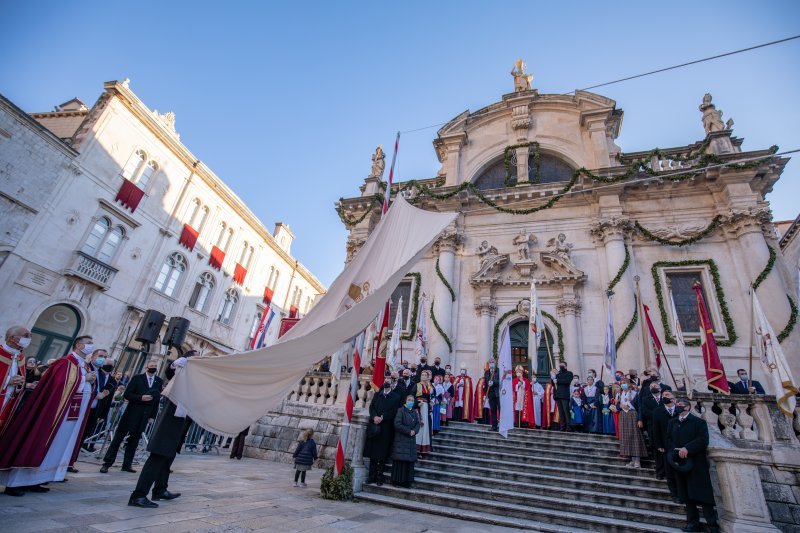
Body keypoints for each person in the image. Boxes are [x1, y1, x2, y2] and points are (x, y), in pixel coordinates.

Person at [0, 335, 97, 495]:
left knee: (54, 446)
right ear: (79, 345)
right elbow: (60, 384)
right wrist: (83, 378)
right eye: (89, 343)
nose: (91, 346)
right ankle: (15, 483)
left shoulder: (84, 365)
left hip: (70, 413)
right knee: (37, 441)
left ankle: (35, 480)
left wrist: (89, 381)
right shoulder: (65, 362)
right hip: (54, 412)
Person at [128, 354, 194, 508]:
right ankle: (138, 495)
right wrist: (173, 365)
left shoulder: (189, 384)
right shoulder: (179, 376)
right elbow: (171, 372)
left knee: (167, 457)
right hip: (168, 422)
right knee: (158, 456)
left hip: (178, 422)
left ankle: (160, 489)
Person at [667, 399, 720, 532]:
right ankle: (692, 522)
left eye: (680, 405)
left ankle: (712, 524)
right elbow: (669, 439)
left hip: (696, 461)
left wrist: (687, 448)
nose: (678, 407)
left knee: (703, 493)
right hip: (680, 462)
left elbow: (703, 439)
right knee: (685, 493)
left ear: (688, 408)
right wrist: (676, 451)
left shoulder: (699, 422)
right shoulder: (672, 422)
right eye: (677, 405)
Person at [101, 359, 162, 473]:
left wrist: (152, 416)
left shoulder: (158, 381)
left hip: (144, 416)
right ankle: (107, 463)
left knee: (133, 442)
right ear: (146, 367)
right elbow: (128, 394)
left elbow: (157, 400)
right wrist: (140, 398)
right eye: (151, 366)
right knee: (117, 440)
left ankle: (127, 464)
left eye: (155, 366)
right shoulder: (137, 378)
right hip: (131, 413)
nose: (153, 367)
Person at [365, 379, 400, 485]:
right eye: (385, 381)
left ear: (392, 384)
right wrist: (374, 416)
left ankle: (380, 477)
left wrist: (382, 417)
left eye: (389, 381)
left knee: (382, 454)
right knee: (373, 454)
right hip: (374, 427)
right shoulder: (377, 394)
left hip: (386, 428)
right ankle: (371, 476)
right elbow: (372, 407)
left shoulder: (396, 397)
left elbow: (394, 411)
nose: (386, 383)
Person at [81, 352, 117, 452]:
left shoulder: (113, 381)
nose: (109, 367)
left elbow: (109, 399)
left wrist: (103, 414)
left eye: (111, 366)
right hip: (87, 404)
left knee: (91, 429)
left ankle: (88, 445)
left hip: (99, 407)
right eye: (107, 364)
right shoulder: (96, 373)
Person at [652, 390, 680, 500]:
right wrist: (659, 444)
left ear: (674, 398)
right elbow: (656, 429)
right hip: (666, 445)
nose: (664, 396)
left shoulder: (679, 410)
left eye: (667, 395)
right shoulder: (658, 411)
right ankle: (674, 494)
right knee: (669, 472)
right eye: (663, 395)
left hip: (680, 445)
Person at [0, 325, 30, 428]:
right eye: (26, 336)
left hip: (7, 401)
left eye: (30, 336)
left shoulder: (20, 358)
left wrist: (20, 383)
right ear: (12, 338)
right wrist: (8, 381)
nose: (29, 339)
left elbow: (18, 381)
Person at [391, 394, 420, 488]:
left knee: (409, 462)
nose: (410, 401)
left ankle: (407, 482)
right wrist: (408, 431)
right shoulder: (401, 410)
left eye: (412, 400)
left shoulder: (415, 412)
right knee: (400, 462)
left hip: (411, 441)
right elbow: (397, 424)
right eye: (409, 400)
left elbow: (418, 424)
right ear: (405, 401)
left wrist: (415, 431)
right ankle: (397, 481)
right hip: (401, 440)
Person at [618, 382, 647, 468]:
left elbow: (639, 407)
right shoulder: (621, 394)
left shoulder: (635, 394)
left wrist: (640, 419)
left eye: (625, 383)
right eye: (622, 383)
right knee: (627, 438)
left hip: (633, 414)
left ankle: (637, 460)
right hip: (623, 415)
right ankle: (632, 460)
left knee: (635, 437)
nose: (623, 385)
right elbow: (619, 405)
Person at [415, 370, 433, 456]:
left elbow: (432, 396)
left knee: (425, 427)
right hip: (418, 407)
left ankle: (422, 449)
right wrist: (416, 403)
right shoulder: (417, 385)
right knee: (419, 425)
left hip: (426, 407)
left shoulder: (429, 386)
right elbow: (411, 395)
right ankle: (415, 448)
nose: (424, 376)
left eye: (426, 375)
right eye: (422, 375)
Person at [553, 362, 573, 431]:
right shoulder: (557, 374)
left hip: (564, 395)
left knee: (566, 411)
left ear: (566, 366)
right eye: (560, 365)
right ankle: (562, 426)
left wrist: (557, 380)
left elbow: (567, 381)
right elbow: (554, 385)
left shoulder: (569, 373)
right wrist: (553, 379)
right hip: (558, 395)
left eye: (562, 365)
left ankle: (568, 426)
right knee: (561, 412)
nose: (561, 366)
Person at [484, 360, 500, 431]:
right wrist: (485, 394)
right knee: (493, 411)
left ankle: (502, 425)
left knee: (500, 410)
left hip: (498, 394)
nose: (491, 364)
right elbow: (485, 383)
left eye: (493, 362)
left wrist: (494, 382)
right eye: (490, 363)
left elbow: (501, 381)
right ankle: (494, 426)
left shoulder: (498, 371)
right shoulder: (486, 373)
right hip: (490, 394)